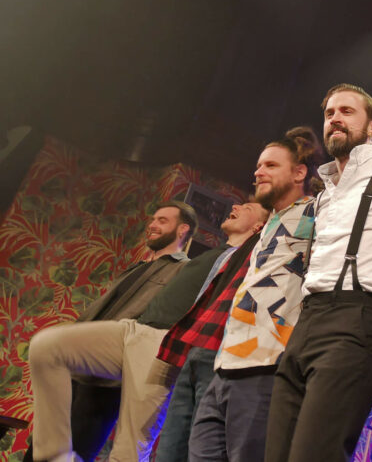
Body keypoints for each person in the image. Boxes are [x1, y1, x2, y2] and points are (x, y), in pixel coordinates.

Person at [265, 84, 372, 461]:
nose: (335, 120)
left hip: (358, 320)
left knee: (315, 453)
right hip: (308, 323)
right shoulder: (325, 193)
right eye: (329, 114)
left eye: (346, 111)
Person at [188, 128, 323, 462]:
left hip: (267, 366)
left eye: (270, 166)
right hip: (226, 365)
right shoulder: (268, 225)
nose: (258, 172)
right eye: (258, 165)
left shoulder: (317, 212)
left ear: (299, 173)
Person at [27, 201, 199, 462]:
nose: (152, 225)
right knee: (40, 451)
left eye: (163, 220)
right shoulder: (138, 267)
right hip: (75, 365)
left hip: (107, 379)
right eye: (153, 219)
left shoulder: (184, 270)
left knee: (79, 446)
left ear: (182, 229)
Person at [152, 201, 269, 462]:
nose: (237, 205)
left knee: (203, 449)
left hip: (223, 352)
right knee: (169, 451)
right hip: (196, 347)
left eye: (248, 206)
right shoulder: (226, 255)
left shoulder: (267, 247)